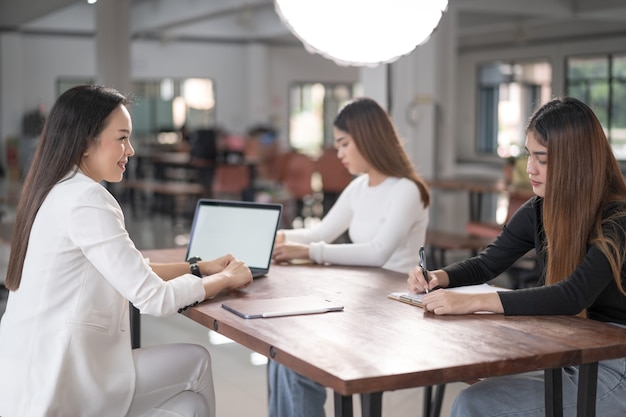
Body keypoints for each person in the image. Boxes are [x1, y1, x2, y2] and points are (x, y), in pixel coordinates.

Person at [0, 85, 253, 417]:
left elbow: (128, 269)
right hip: (63, 380)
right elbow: (152, 298)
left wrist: (198, 267)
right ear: (85, 143)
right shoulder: (87, 199)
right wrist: (224, 279)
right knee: (197, 361)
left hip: (26, 378)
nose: (130, 150)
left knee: (188, 405)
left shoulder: (54, 190)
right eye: (122, 138)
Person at [408, 96, 626, 417]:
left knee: (474, 403)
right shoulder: (540, 209)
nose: (529, 169)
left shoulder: (617, 219)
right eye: (528, 155)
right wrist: (440, 277)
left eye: (542, 158)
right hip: (575, 350)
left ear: (574, 161)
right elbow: (488, 262)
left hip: (615, 362)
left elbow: (573, 295)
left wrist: (473, 302)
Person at [269, 97, 431, 417]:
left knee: (297, 360)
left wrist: (311, 253)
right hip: (361, 299)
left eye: (344, 144)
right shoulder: (359, 188)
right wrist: (274, 236)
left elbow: (377, 252)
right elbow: (320, 232)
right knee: (281, 353)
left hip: (393, 308)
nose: (338, 154)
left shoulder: (407, 189)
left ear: (368, 139)